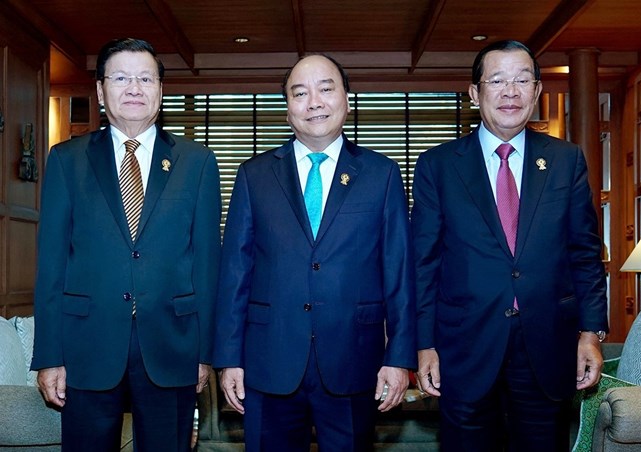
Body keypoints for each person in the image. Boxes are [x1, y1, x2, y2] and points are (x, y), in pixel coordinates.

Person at [412, 40, 609, 451]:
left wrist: (590, 332)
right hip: (463, 347)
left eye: (523, 80)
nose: (511, 91)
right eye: (497, 80)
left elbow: (584, 253)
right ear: (474, 93)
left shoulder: (565, 160)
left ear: (537, 92)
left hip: (546, 344)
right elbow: (423, 262)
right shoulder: (439, 165)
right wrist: (423, 344)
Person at [213, 54, 416, 451]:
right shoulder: (254, 175)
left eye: (326, 89)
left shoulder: (382, 173)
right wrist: (228, 358)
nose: (314, 102)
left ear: (346, 100)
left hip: (354, 359)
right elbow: (235, 272)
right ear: (287, 108)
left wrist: (400, 357)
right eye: (300, 93)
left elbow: (400, 271)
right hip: (268, 360)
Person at [31, 38, 221, 452]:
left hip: (172, 344)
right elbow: (51, 264)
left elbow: (207, 266)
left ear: (160, 89)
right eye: (120, 78)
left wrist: (205, 352)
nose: (134, 88)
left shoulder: (198, 163)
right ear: (100, 90)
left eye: (144, 78)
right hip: (86, 345)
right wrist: (47, 355)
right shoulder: (66, 159)